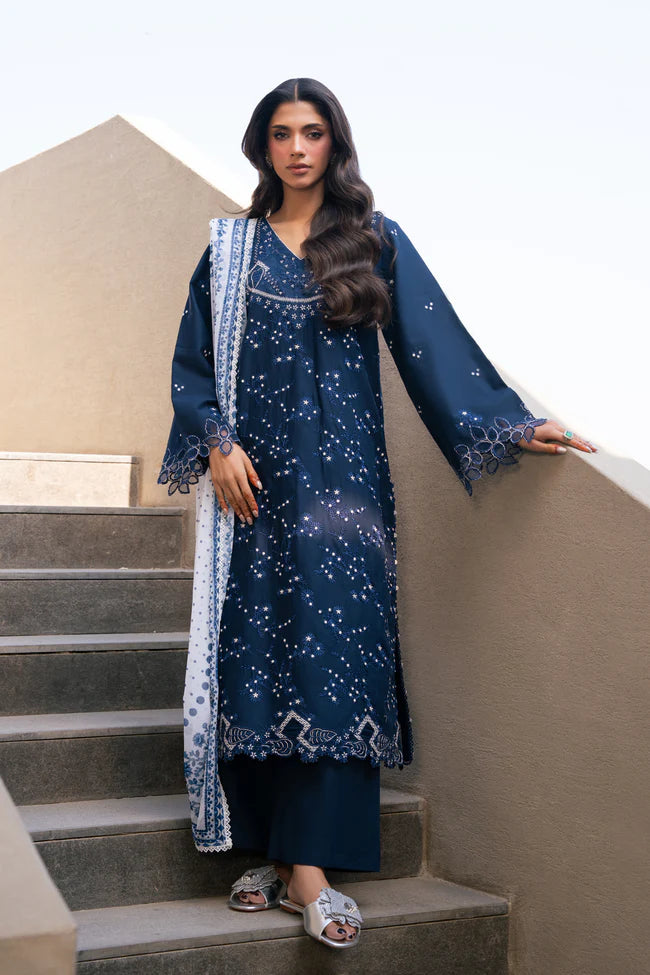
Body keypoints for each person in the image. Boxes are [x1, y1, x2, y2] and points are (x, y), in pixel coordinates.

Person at [157, 77, 597, 950]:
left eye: (313, 131)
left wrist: (509, 421)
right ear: (262, 146)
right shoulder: (230, 251)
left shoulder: (373, 242)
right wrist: (216, 442)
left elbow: (434, 346)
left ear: (336, 143)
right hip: (255, 492)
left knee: (332, 665)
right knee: (258, 660)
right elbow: (193, 361)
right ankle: (283, 858)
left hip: (344, 495)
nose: (297, 148)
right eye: (282, 133)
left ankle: (308, 870)